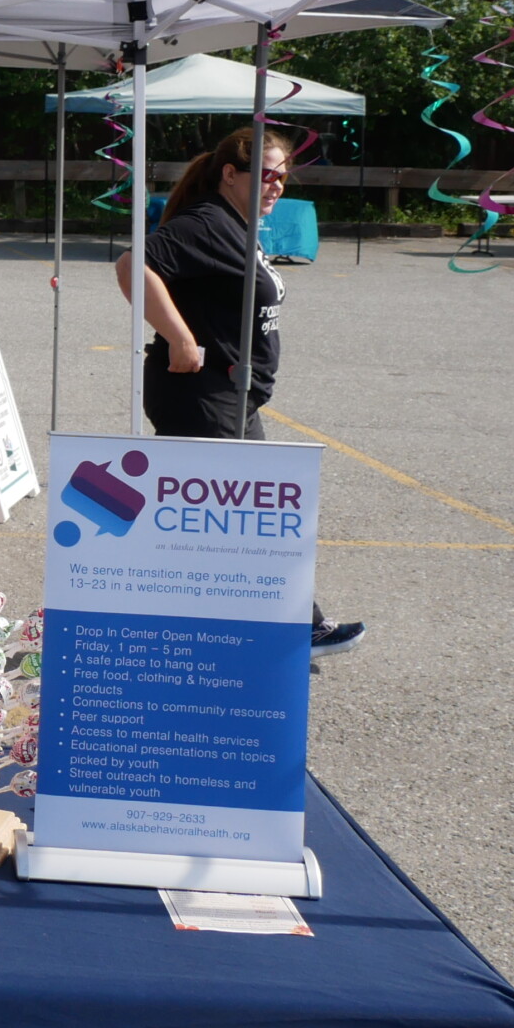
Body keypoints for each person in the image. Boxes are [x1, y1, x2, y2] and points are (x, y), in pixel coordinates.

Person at [115, 129, 366, 659]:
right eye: (266, 175)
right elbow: (131, 265)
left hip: (229, 395)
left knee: (238, 522)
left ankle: (276, 626)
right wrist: (180, 336)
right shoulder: (209, 221)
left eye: (283, 176)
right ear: (231, 174)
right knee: (237, 524)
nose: (276, 186)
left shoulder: (238, 224)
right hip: (201, 397)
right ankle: (293, 628)